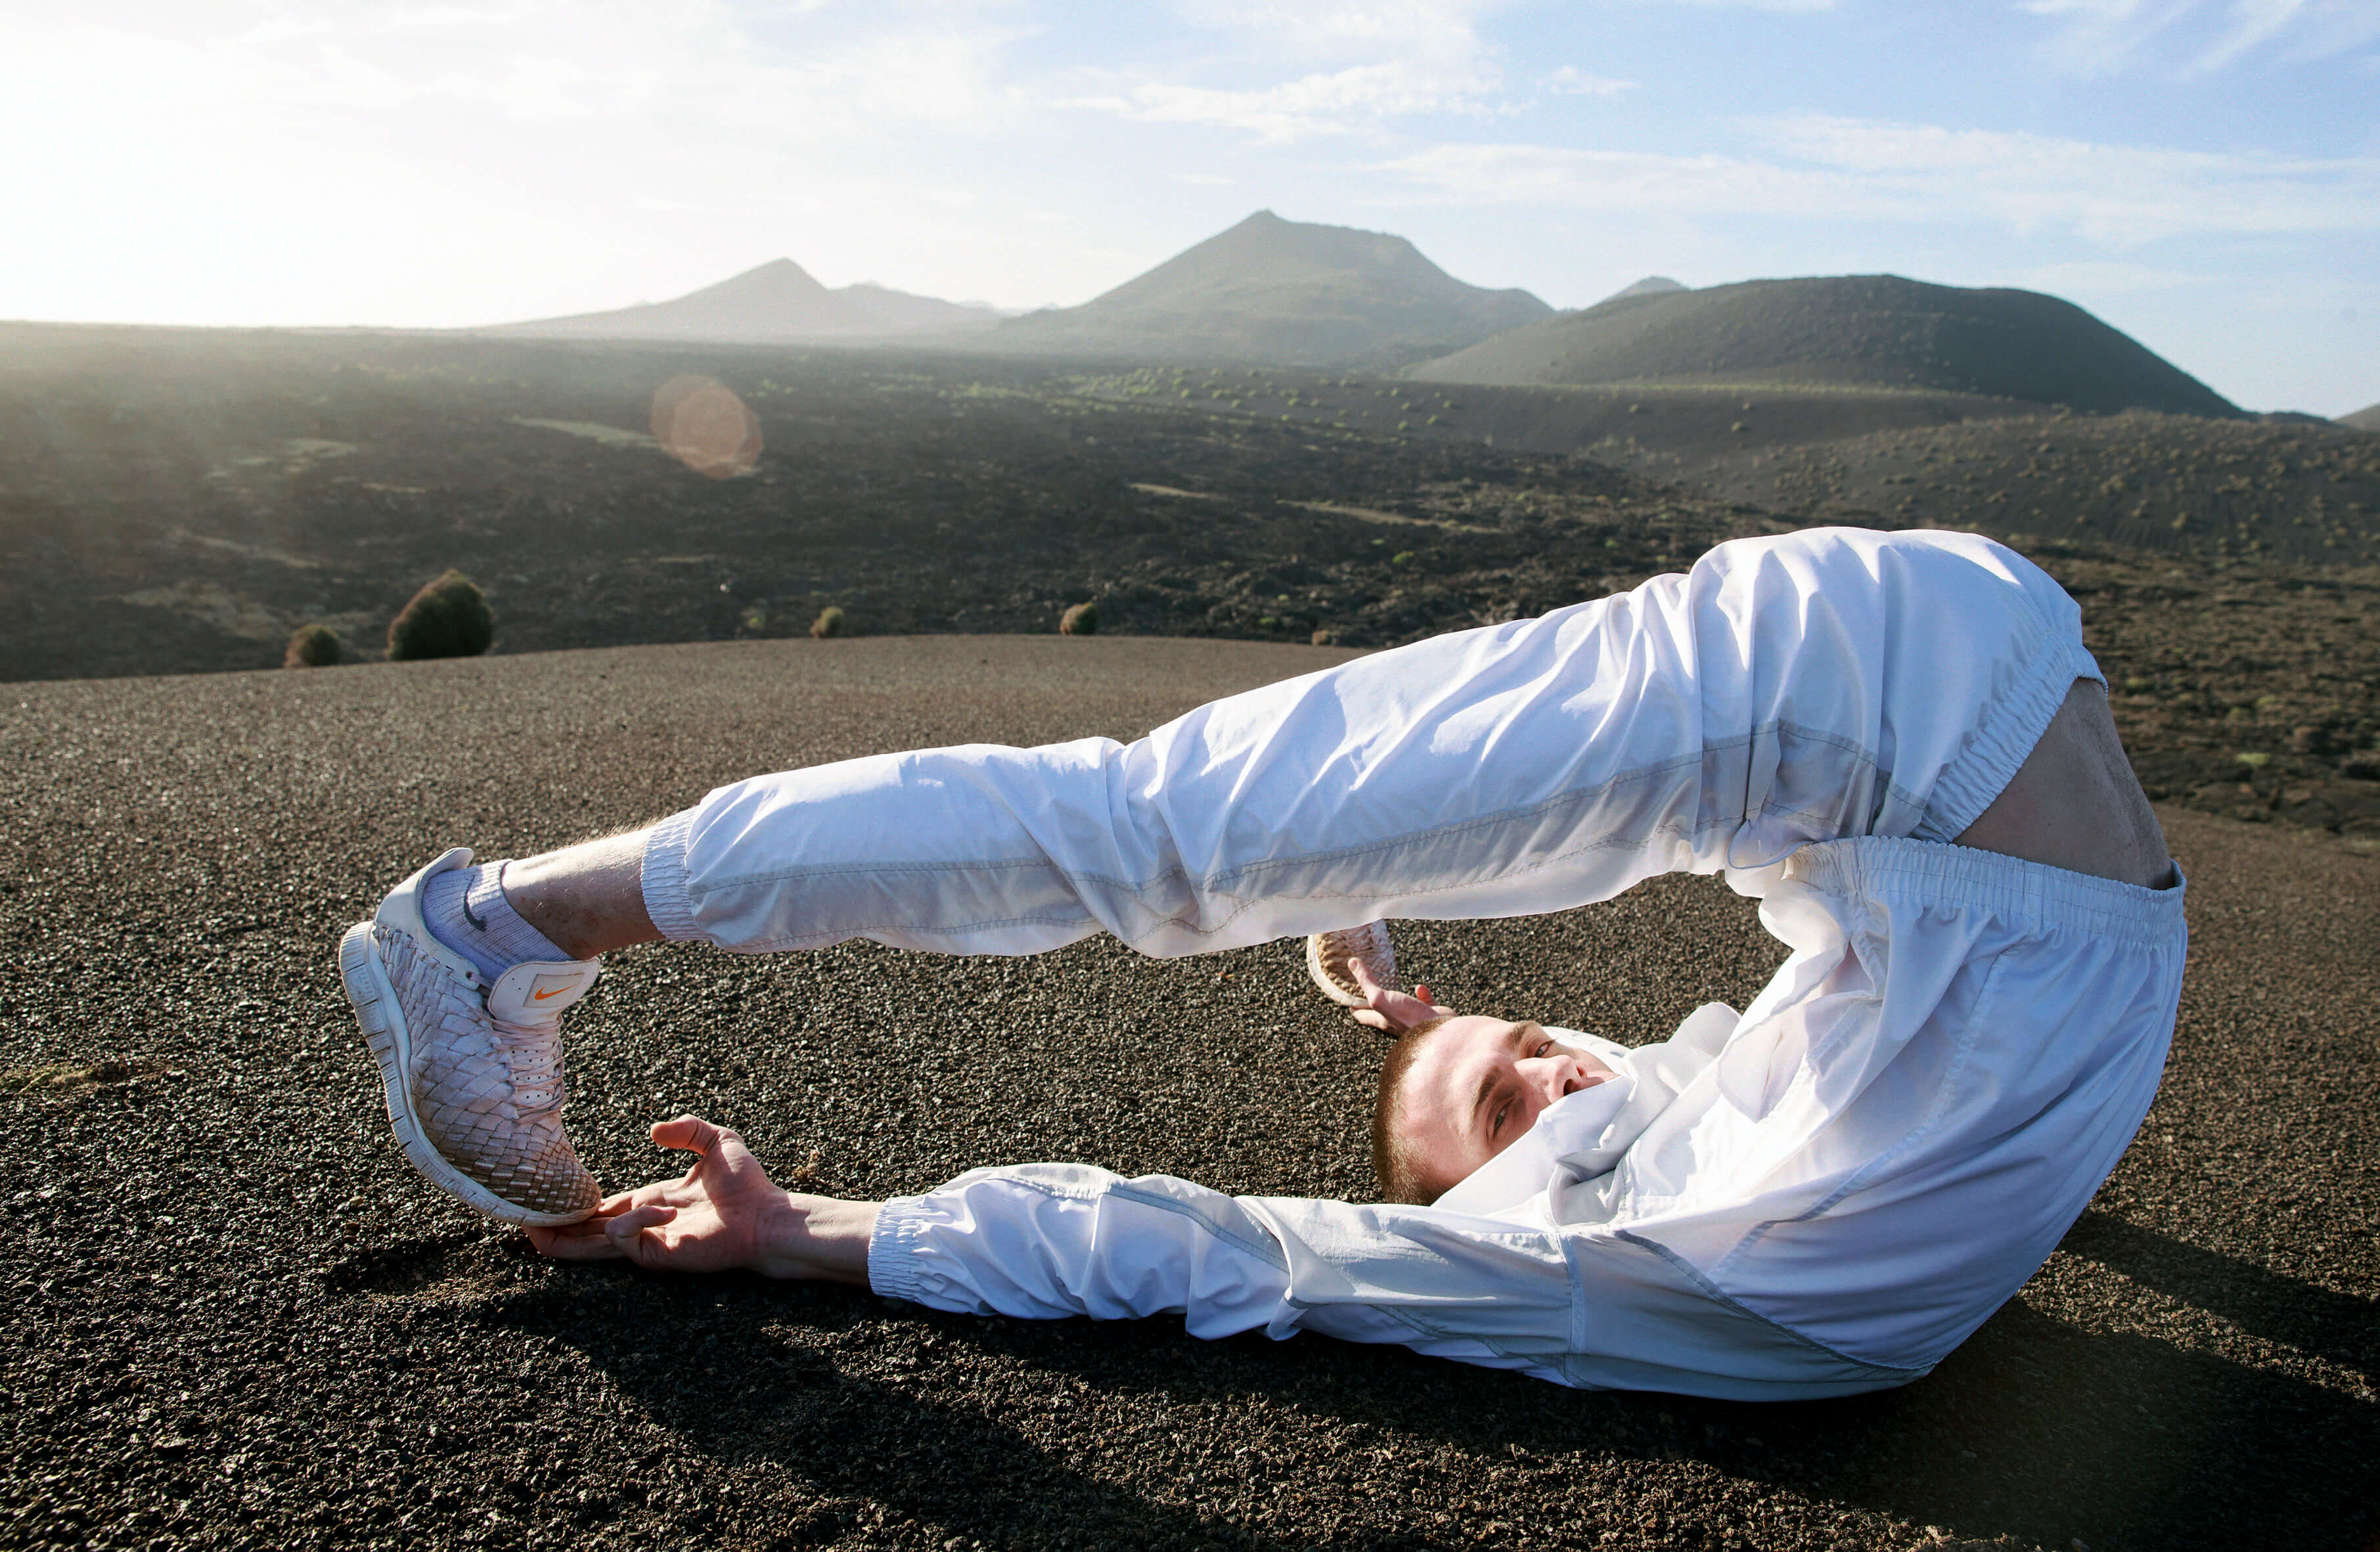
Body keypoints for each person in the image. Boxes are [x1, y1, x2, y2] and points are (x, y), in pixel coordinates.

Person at [338, 527, 2183, 1399]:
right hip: (1928, 691)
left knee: (1151, 844)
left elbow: (1189, 1251)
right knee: (1154, 845)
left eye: (1517, 1075)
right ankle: (497, 932)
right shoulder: (1609, 1232)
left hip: (1901, 704)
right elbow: (1229, 1237)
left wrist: (811, 1227)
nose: (1564, 1070)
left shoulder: (1603, 1243)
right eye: (1528, 1068)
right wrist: (1436, 1022)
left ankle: (500, 929)